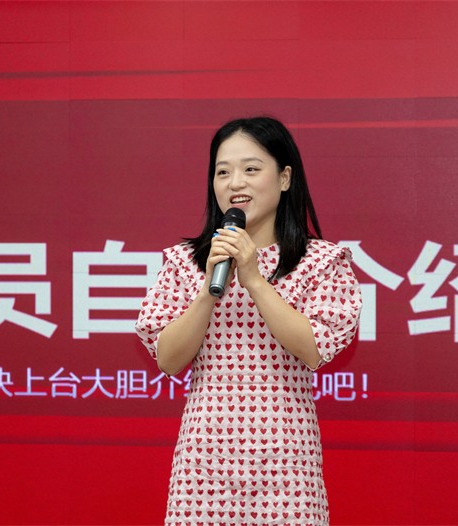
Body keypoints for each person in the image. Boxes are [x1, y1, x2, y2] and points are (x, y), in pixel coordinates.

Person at [135, 116, 362, 525]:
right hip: (203, 464)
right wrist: (208, 290)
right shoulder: (184, 262)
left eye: (251, 169)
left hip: (286, 464)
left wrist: (254, 279)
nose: (235, 183)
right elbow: (168, 359)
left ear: (285, 178)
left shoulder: (321, 262)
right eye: (223, 172)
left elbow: (313, 349)